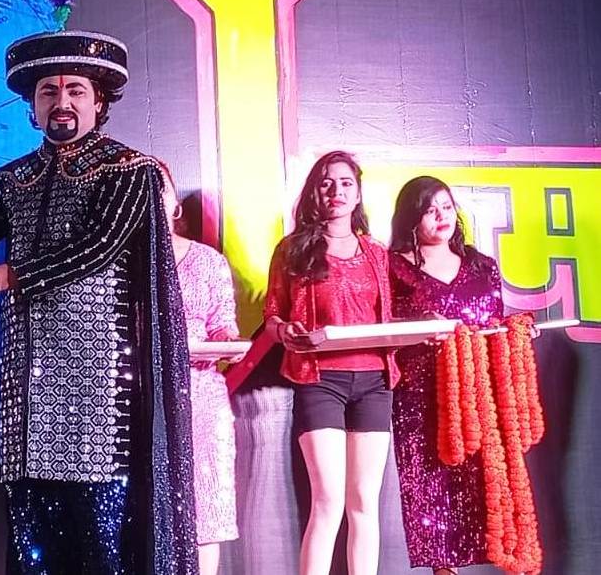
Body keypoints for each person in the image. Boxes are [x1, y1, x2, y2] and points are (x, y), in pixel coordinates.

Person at [0, 30, 198, 574]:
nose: (62, 102)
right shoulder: (14, 179)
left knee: (100, 542)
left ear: (99, 102)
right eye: (49, 92)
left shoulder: (130, 172)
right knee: (35, 544)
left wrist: (0, 276)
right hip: (27, 394)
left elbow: (96, 249)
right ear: (32, 108)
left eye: (76, 90)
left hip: (99, 394)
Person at [262, 150, 396, 575]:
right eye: (326, 183)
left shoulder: (377, 252)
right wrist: (284, 331)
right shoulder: (293, 249)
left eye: (345, 183)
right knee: (328, 501)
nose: (336, 191)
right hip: (319, 379)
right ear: (314, 193)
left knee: (364, 502)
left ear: (358, 194)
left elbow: (393, 314)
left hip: (374, 381)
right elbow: (271, 317)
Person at [387, 176, 511, 574]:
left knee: (480, 488)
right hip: (419, 396)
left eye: (446, 207)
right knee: (430, 490)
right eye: (429, 210)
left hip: (475, 395)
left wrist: (516, 332)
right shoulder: (393, 268)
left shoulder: (481, 266)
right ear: (411, 218)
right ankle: (442, 570)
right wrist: (418, 324)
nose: (441, 216)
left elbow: (496, 322)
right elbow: (383, 324)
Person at [159, 166, 240, 575]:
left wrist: (227, 340)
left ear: (174, 204)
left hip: (203, 396)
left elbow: (224, 325)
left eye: (160, 190)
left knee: (207, 508)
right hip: (145, 394)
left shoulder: (209, 261)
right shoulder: (123, 266)